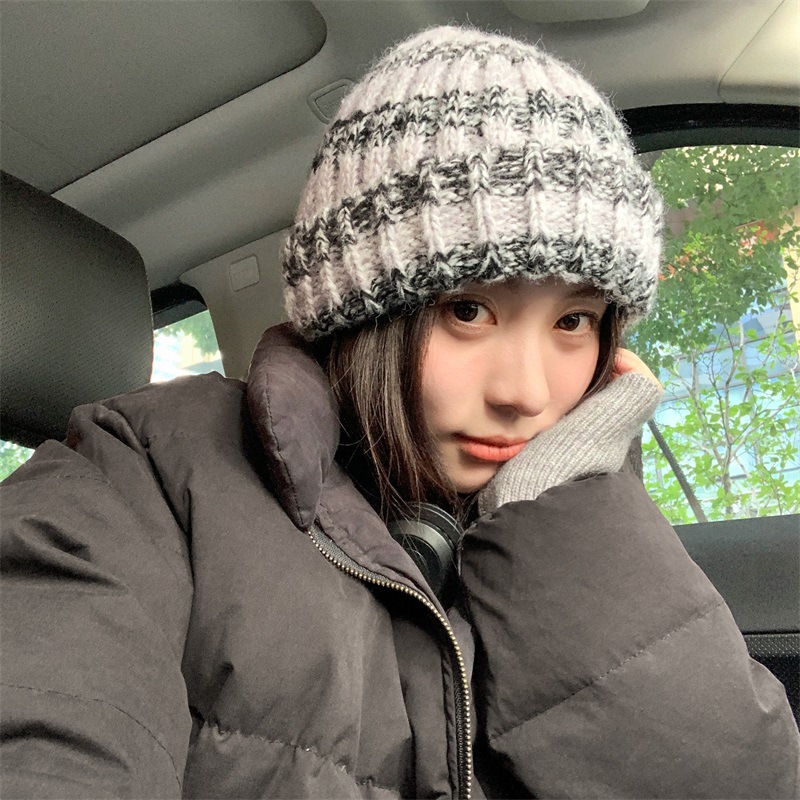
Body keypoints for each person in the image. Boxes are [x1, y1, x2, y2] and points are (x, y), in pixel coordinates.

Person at [2, 25, 797, 800]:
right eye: (467, 310)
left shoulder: (581, 522)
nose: (526, 392)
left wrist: (560, 510)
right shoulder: (134, 475)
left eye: (573, 321)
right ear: (360, 315)